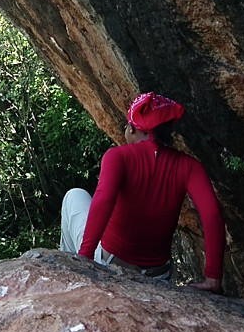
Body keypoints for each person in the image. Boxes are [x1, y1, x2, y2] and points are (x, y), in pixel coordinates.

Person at [60, 92, 226, 294]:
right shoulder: (189, 166)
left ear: (133, 129)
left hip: (112, 264)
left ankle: (71, 268)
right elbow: (212, 215)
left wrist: (85, 258)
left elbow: (104, 200)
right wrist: (213, 277)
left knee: (74, 195)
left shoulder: (118, 156)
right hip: (158, 275)